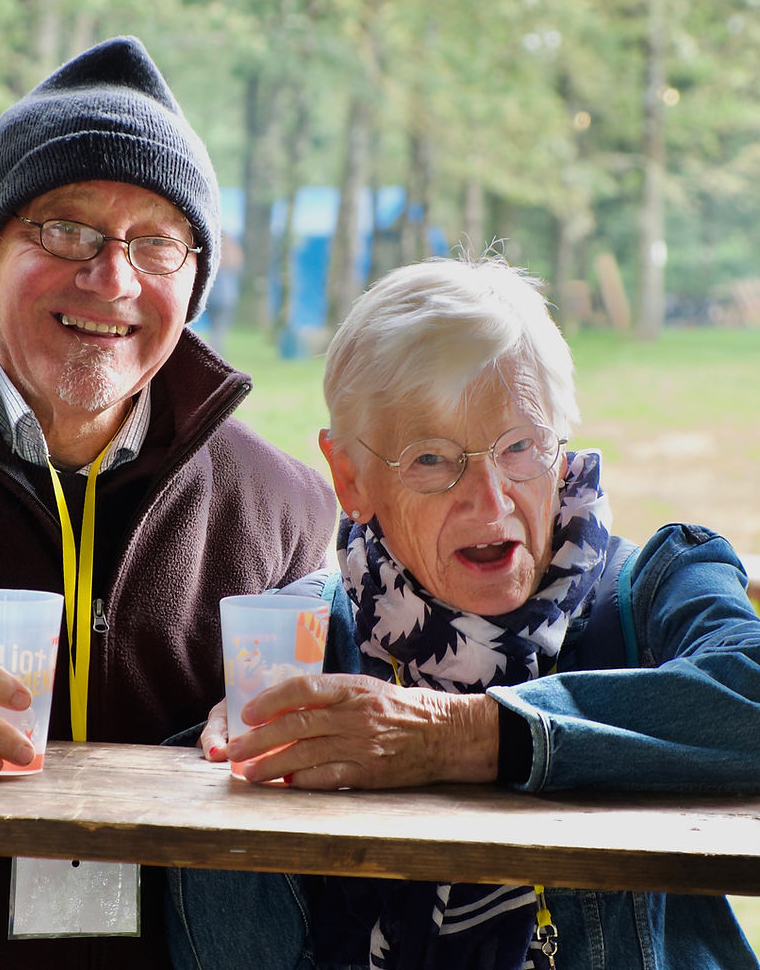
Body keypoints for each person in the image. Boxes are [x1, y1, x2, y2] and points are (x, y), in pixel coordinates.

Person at [0, 36, 335, 968]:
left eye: (156, 242)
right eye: (63, 228)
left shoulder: (283, 511)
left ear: (194, 283)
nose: (110, 277)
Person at [169, 256, 760, 970]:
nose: (489, 499)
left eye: (520, 447)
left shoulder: (660, 587)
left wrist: (464, 738)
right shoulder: (300, 648)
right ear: (350, 478)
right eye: (431, 459)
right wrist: (217, 784)